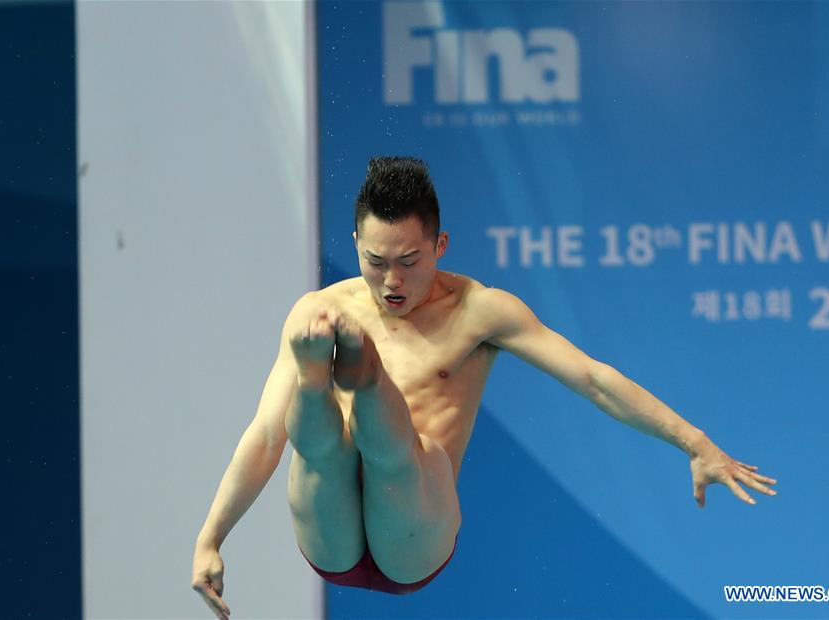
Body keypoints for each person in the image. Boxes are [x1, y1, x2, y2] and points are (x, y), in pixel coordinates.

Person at [191, 156, 778, 619]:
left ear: (441, 247)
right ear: (355, 245)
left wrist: (695, 442)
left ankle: (359, 371)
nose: (392, 282)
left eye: (410, 261)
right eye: (375, 261)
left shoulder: (480, 313)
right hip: (330, 536)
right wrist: (211, 537)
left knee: (397, 449)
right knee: (312, 431)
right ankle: (331, 376)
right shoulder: (317, 309)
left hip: (413, 539)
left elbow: (595, 381)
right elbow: (267, 434)